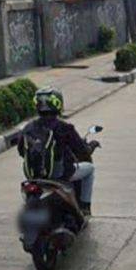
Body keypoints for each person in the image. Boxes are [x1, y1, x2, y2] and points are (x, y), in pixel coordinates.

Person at [18, 87, 98, 216]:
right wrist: (90, 147)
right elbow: (81, 151)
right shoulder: (64, 127)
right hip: (60, 175)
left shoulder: (28, 128)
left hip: (34, 177)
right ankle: (85, 208)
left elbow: (22, 151)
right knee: (90, 169)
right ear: (58, 104)